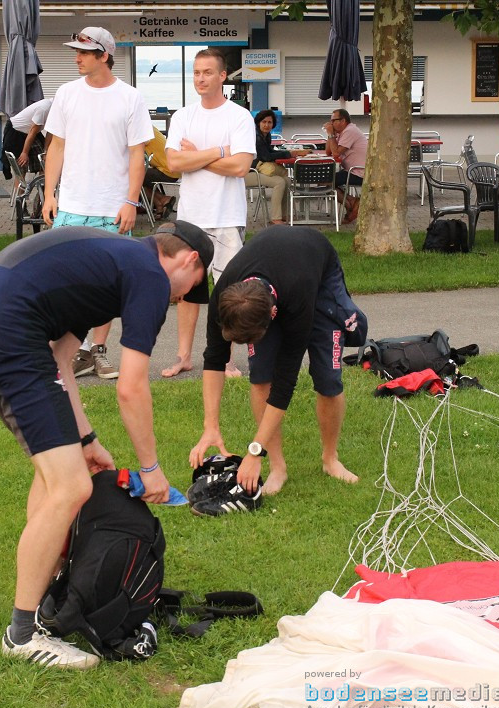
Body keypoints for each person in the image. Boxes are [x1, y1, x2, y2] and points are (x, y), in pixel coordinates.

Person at [0, 221, 213, 669]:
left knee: (58, 476)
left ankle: (48, 592)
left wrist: (87, 439)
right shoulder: (149, 276)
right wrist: (150, 469)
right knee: (71, 488)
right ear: (190, 261)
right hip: (9, 333)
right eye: (194, 286)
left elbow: (61, 362)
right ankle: (21, 634)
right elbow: (130, 387)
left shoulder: (112, 262)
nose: (185, 296)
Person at [188, 225, 365, 501]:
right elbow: (213, 358)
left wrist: (254, 450)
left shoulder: (298, 300)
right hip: (275, 270)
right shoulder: (225, 295)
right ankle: (278, 467)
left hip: (316, 278)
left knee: (328, 380)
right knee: (260, 377)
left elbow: (285, 384)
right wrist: (210, 425)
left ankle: (331, 459)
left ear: (272, 314)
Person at [41, 26, 153, 382]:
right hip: (72, 202)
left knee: (107, 284)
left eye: (84, 53)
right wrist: (48, 193)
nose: (76, 58)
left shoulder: (130, 97)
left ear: (104, 55)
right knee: (65, 281)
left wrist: (130, 201)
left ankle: (97, 353)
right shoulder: (66, 93)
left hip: (112, 205)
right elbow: (56, 146)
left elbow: (138, 155)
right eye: (76, 51)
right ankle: (70, 351)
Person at [160, 48, 255, 379]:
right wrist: (218, 152)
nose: (200, 78)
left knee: (228, 292)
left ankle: (225, 359)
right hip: (190, 218)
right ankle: (184, 356)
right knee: (187, 292)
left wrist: (197, 156)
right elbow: (173, 163)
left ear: (222, 76)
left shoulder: (239, 117)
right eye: (197, 72)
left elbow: (241, 166)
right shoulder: (184, 116)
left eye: (207, 73)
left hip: (227, 216)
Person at [252, 109, 308, 225]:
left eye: (269, 122)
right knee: (280, 182)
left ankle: (285, 214)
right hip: (249, 172)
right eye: (264, 122)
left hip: (261, 169)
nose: (267, 125)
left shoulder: (266, 135)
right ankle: (275, 218)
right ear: (258, 123)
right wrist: (289, 154)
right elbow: (266, 156)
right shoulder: (256, 137)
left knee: (286, 180)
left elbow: (270, 151)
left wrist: (287, 152)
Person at [323, 108, 368, 224]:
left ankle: (352, 205)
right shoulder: (341, 133)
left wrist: (331, 134)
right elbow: (329, 152)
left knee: (325, 182)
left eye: (333, 121)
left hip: (360, 172)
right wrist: (330, 135)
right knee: (324, 181)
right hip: (351, 171)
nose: (331, 124)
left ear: (343, 121)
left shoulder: (350, 131)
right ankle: (353, 203)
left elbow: (336, 153)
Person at [0, 97, 52, 179]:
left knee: (44, 162)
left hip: (30, 131)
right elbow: (32, 131)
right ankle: (20, 190)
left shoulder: (57, 111)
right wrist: (24, 152)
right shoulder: (44, 108)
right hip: (16, 131)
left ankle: (43, 189)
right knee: (21, 167)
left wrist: (46, 151)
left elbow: (50, 132)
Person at [142, 126, 180, 219]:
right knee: (140, 178)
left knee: (135, 177)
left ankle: (162, 200)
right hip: (172, 170)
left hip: (168, 171)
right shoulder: (150, 128)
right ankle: (160, 205)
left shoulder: (143, 130)